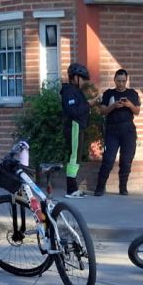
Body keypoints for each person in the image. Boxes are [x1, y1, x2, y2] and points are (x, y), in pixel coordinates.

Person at [94, 68, 140, 196]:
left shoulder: (132, 94)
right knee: (108, 159)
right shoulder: (109, 93)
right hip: (112, 129)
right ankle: (100, 187)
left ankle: (123, 187)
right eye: (118, 81)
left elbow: (137, 111)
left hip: (128, 130)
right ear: (114, 80)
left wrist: (129, 105)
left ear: (126, 81)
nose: (121, 84)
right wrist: (114, 106)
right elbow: (102, 111)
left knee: (126, 160)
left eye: (123, 81)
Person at [60, 62, 92, 198]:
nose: (84, 82)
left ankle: (73, 188)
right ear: (75, 77)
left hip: (78, 127)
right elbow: (73, 111)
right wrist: (88, 104)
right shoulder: (69, 92)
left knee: (76, 157)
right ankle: (71, 190)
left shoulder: (75, 91)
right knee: (73, 157)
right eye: (82, 78)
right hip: (74, 126)